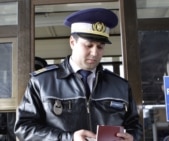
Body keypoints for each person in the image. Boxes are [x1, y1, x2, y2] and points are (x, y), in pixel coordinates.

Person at [14, 8, 142, 141]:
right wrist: (69, 138)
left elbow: (135, 127)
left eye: (100, 47)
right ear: (72, 42)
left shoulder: (120, 85)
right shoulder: (41, 82)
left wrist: (132, 138)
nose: (94, 53)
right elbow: (24, 129)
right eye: (89, 45)